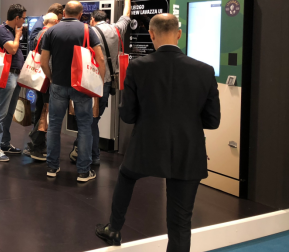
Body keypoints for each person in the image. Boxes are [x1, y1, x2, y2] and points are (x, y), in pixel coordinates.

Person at [95, 14, 221, 251]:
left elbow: (128, 115)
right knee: (181, 220)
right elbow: (213, 121)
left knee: (126, 176)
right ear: (179, 34)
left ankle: (114, 228)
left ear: (151, 34)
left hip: (146, 145)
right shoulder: (205, 70)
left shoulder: (138, 67)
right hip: (188, 150)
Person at [40, 1, 105, 182]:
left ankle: (52, 167)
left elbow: (43, 62)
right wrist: (98, 82)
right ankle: (83, 171)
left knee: (54, 125)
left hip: (58, 84)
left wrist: (52, 78)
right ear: (80, 14)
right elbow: (100, 58)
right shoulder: (87, 30)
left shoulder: (51, 31)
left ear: (64, 12)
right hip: (81, 85)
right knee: (84, 126)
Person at [70, 0, 133, 165]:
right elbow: (126, 16)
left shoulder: (87, 32)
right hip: (107, 82)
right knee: (93, 119)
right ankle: (88, 152)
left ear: (92, 20)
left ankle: (89, 154)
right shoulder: (116, 30)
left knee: (88, 120)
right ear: (106, 19)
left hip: (88, 82)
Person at [0, 4, 27, 162]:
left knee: (9, 112)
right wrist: (17, 35)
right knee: (1, 112)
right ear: (17, 18)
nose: (24, 21)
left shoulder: (11, 31)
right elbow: (12, 49)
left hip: (15, 75)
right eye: (23, 18)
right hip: (7, 75)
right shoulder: (2, 31)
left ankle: (4, 143)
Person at [23, 12, 60, 161]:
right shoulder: (50, 34)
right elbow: (48, 60)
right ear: (56, 21)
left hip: (38, 78)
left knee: (40, 110)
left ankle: (37, 144)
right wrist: (51, 77)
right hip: (46, 77)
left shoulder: (39, 34)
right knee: (46, 111)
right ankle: (36, 143)